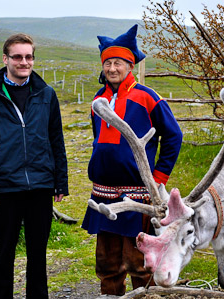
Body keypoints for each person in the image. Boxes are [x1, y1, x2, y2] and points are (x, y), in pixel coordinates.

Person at [81, 24, 183, 296]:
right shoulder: (98, 99)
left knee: (139, 260)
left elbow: (173, 136)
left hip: (137, 195)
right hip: (103, 193)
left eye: (118, 63)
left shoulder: (148, 97)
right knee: (107, 259)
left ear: (129, 64)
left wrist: (158, 178)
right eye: (108, 63)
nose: (112, 68)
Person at [0, 33, 68, 298]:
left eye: (29, 57)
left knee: (38, 255)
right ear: (6, 59)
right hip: (5, 188)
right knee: (3, 254)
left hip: (40, 186)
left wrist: (61, 181)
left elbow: (56, 140)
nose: (24, 62)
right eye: (18, 57)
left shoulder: (46, 94)